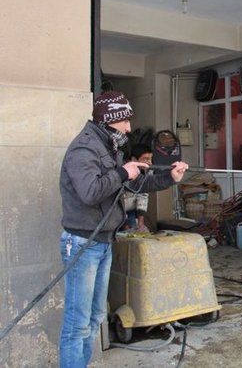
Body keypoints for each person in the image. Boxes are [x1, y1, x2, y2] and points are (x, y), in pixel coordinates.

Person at [58, 91, 189, 368]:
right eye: (125, 121)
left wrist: (170, 178)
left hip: (103, 242)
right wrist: (121, 172)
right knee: (78, 324)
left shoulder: (108, 147)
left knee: (95, 319)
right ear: (110, 119)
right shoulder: (84, 149)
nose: (129, 128)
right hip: (83, 243)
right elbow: (90, 192)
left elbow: (134, 184)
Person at [123, 143, 154, 232]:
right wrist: (125, 224)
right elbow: (118, 199)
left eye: (151, 159)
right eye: (146, 159)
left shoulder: (148, 171)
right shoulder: (124, 171)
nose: (150, 163)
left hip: (132, 211)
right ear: (134, 159)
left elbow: (143, 195)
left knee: (136, 232)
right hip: (116, 212)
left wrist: (141, 223)